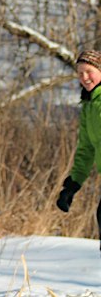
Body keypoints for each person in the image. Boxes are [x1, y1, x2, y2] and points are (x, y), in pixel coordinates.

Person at [57, 50, 101, 251]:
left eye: (89, 71)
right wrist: (74, 183)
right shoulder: (89, 105)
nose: (84, 77)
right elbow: (86, 148)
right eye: (80, 73)